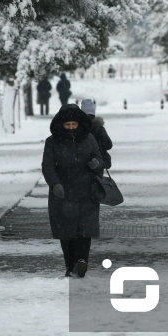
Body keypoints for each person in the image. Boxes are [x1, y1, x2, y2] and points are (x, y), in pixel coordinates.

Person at [42, 104, 105, 277]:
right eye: (67, 125)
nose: (70, 128)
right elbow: (47, 166)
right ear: (61, 124)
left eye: (74, 125)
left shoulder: (89, 138)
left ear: (79, 124)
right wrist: (55, 184)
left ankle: (82, 261)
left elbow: (100, 158)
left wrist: (96, 163)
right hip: (63, 193)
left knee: (85, 229)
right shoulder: (52, 142)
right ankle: (70, 266)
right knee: (67, 231)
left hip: (87, 191)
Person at [80, 98, 113, 168]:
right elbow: (108, 145)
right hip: (99, 162)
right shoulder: (99, 128)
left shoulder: (77, 128)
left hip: (82, 163)